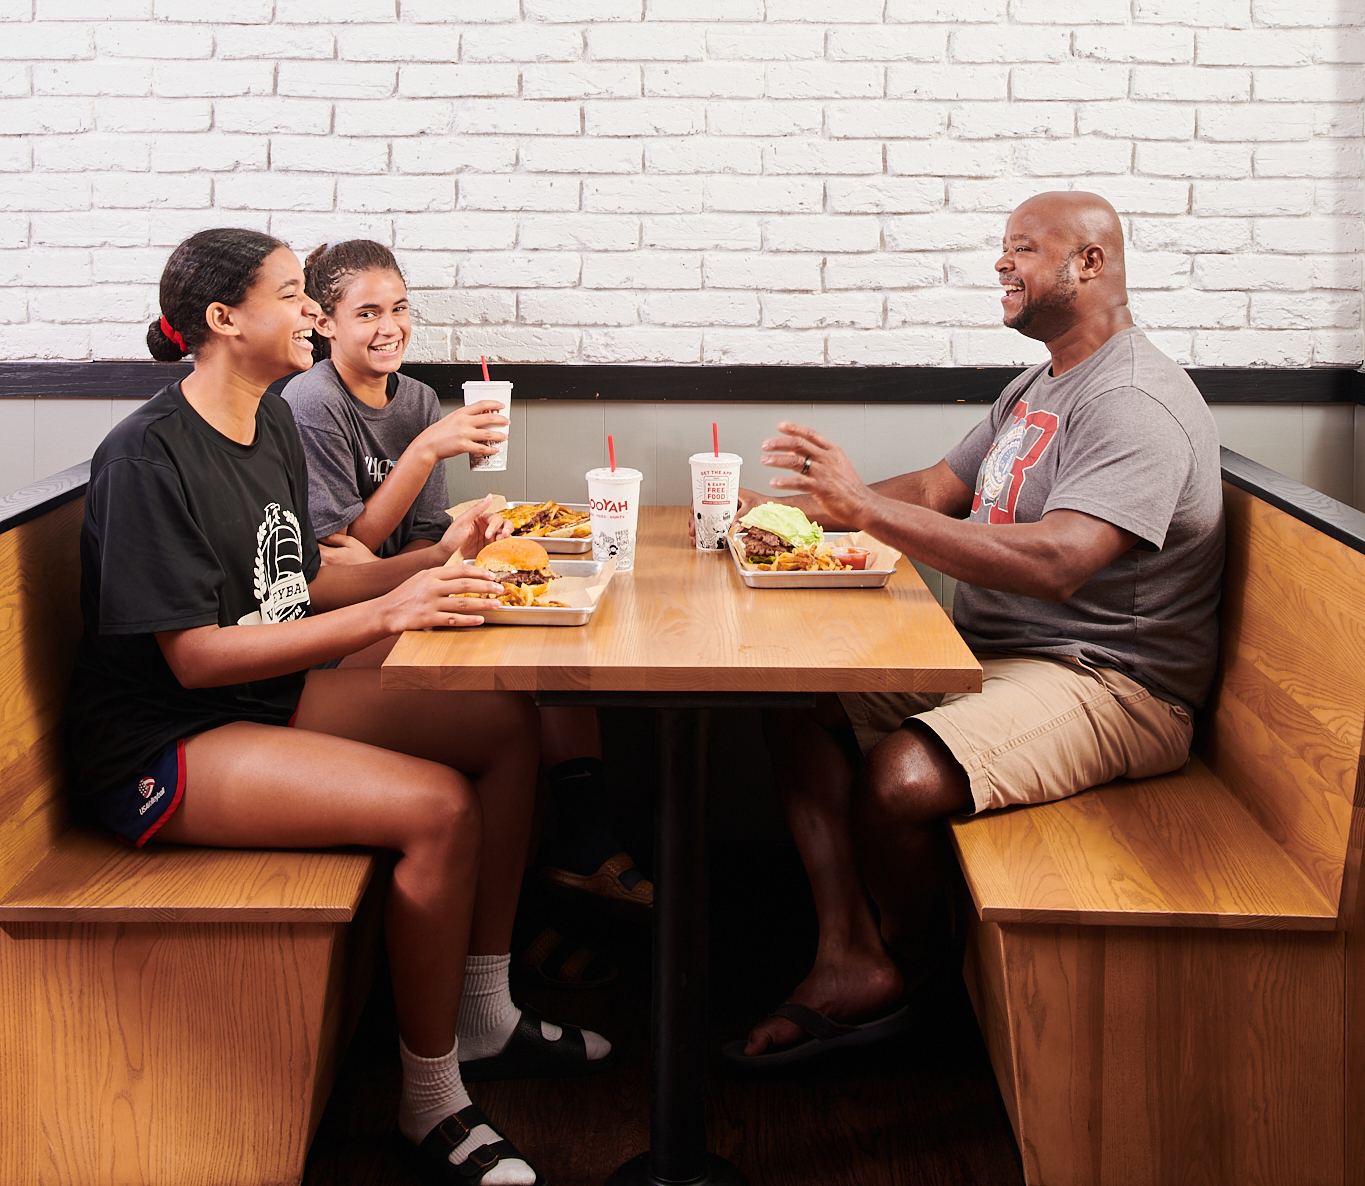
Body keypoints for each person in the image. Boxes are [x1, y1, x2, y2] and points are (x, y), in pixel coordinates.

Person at [64, 228, 612, 1186]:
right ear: (223, 319)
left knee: (502, 727)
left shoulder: (268, 422)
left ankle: (484, 1012)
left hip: (261, 694)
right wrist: (390, 612)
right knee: (438, 808)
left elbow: (303, 581)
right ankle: (429, 1097)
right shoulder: (147, 455)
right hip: (166, 741)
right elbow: (193, 660)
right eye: (292, 295)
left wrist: (437, 561)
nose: (312, 311)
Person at [725, 190, 1225, 1069]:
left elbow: (1061, 559)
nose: (1001, 262)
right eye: (1004, 246)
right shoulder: (1040, 384)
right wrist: (791, 514)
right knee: (800, 699)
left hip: (1112, 682)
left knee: (899, 777)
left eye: (1023, 247)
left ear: (1089, 263)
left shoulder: (1133, 399)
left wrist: (862, 512)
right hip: (1003, 659)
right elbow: (933, 489)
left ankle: (921, 987)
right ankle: (850, 952)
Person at [280, 239, 652, 916]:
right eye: (367, 313)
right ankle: (570, 855)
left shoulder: (420, 398)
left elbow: (423, 536)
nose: (389, 327)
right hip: (334, 630)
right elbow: (341, 555)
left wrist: (453, 546)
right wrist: (423, 455)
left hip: (404, 595)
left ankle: (576, 845)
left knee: (551, 636)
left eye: (399, 308)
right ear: (325, 323)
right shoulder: (313, 400)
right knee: (511, 678)